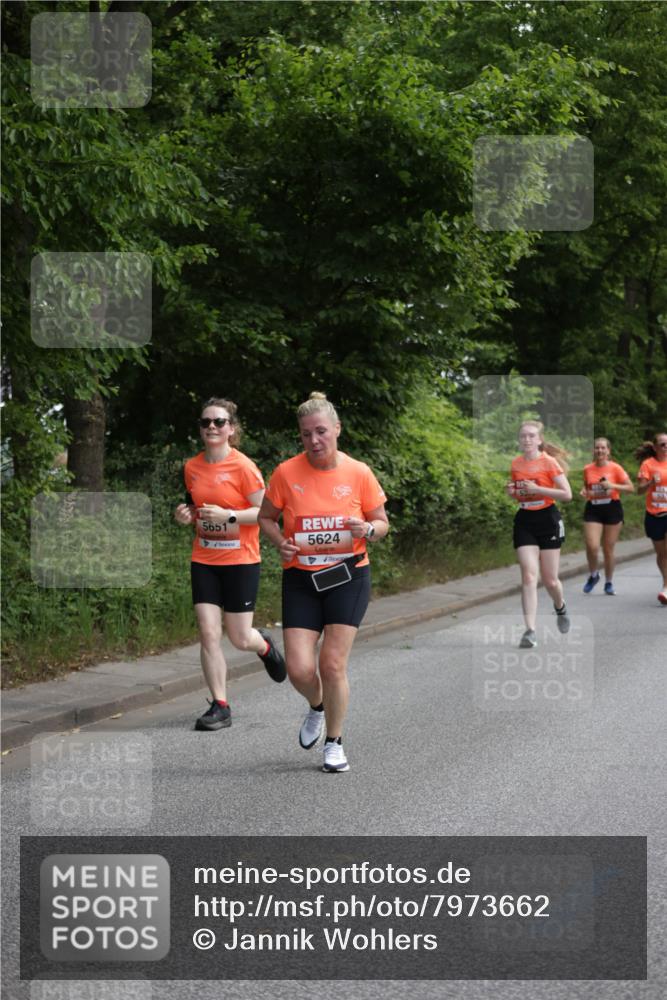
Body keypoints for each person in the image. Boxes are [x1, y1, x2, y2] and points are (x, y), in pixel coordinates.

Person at [258, 392, 389, 773]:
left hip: (348, 576)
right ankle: (318, 706)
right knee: (299, 670)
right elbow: (267, 517)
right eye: (305, 434)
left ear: (336, 429)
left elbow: (381, 523)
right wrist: (281, 543)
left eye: (320, 432)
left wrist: (366, 527)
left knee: (331, 664)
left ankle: (334, 742)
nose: (314, 441)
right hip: (301, 578)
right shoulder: (286, 473)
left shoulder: (358, 473)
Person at [174, 397, 286, 731]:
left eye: (219, 422)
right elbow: (196, 510)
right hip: (204, 558)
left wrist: (230, 515)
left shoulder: (244, 467)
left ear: (231, 429)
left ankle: (263, 645)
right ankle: (220, 706)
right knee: (208, 633)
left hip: (240, 560)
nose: (211, 427)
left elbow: (266, 513)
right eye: (205, 422)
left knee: (238, 638)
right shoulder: (192, 467)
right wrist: (185, 515)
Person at [506, 420, 573, 648]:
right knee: (528, 576)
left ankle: (560, 607)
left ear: (540, 440)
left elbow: (567, 494)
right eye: (523, 436)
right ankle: (530, 631)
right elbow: (521, 494)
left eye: (531, 436)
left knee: (550, 580)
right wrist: (513, 493)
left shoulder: (549, 462)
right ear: (519, 439)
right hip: (525, 520)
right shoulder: (516, 464)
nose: (527, 439)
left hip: (548, 519)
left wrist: (538, 489)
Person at [580, 438, 634, 595]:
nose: (600, 451)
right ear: (593, 451)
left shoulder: (615, 468)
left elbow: (630, 488)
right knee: (592, 546)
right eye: (597, 448)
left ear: (608, 451)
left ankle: (609, 582)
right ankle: (594, 575)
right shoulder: (588, 468)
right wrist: (585, 491)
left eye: (603, 448)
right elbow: (587, 486)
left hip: (612, 508)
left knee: (608, 549)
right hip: (593, 508)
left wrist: (612, 486)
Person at [635, 431, 667, 605]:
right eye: (662, 444)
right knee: (662, 554)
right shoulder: (648, 464)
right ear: (655, 448)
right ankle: (665, 581)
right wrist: (650, 483)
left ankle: (666, 587)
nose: (666, 447)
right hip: (654, 514)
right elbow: (639, 490)